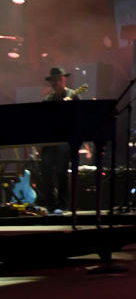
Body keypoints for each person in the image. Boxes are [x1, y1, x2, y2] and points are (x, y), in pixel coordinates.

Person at [40, 66, 81, 211]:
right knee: (45, 168)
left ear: (64, 79)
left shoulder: (73, 95)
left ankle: (63, 204)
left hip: (67, 139)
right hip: (51, 140)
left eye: (59, 79)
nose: (56, 82)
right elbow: (42, 120)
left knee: (61, 170)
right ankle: (50, 204)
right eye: (54, 80)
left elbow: (80, 117)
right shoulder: (48, 99)